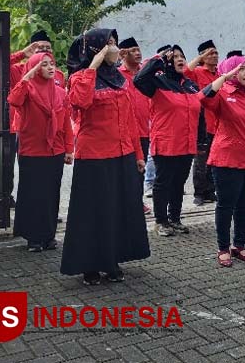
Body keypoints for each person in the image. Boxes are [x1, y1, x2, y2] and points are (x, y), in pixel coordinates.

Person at [60, 28, 149, 286]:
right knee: (94, 212)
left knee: (116, 210)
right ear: (94, 48)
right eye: (108, 44)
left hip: (123, 154)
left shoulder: (120, 80)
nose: (114, 48)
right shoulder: (79, 77)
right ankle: (90, 265)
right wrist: (94, 64)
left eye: (114, 43)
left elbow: (130, 119)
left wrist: (138, 154)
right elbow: (79, 102)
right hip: (95, 156)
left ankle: (112, 260)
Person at [201, 55, 245, 266]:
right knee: (226, 205)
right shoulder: (222, 94)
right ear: (231, 73)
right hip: (227, 159)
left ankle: (239, 245)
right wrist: (224, 77)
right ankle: (223, 247)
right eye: (240, 69)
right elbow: (202, 98)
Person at [7, 52, 73, 250]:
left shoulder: (60, 92)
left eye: (52, 64)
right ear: (34, 68)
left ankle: (49, 235)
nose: (51, 67)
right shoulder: (27, 89)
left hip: (55, 150)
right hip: (32, 149)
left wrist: (69, 149)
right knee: (33, 193)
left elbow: (66, 125)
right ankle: (33, 237)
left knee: (51, 194)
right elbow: (13, 100)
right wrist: (27, 77)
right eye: (44, 65)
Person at [135, 45, 202, 236]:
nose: (180, 59)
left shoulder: (190, 85)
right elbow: (138, 79)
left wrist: (202, 140)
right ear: (168, 61)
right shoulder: (157, 83)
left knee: (179, 182)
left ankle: (175, 218)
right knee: (163, 182)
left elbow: (199, 112)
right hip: (166, 143)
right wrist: (160, 58)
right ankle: (160, 221)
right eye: (176, 57)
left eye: (183, 56)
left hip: (187, 143)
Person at [118, 37, 152, 215]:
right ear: (123, 54)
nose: (137, 53)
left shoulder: (145, 73)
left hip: (144, 130)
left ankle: (137, 202)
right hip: (124, 131)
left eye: (138, 49)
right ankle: (125, 203)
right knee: (125, 170)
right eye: (132, 50)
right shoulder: (117, 74)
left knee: (140, 168)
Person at [186, 40, 220, 206]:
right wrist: (199, 58)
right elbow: (185, 71)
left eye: (215, 53)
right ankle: (199, 192)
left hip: (217, 123)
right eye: (210, 53)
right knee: (201, 160)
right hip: (202, 123)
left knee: (213, 159)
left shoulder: (219, 75)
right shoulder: (198, 72)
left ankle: (210, 190)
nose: (214, 56)